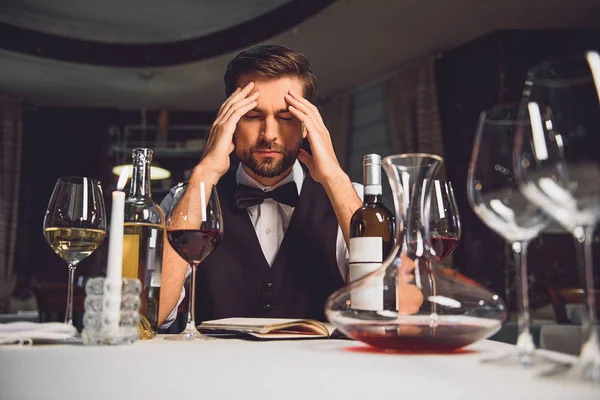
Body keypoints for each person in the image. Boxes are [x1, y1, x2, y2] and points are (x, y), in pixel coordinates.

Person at [158, 45, 362, 326]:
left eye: (287, 117)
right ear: (228, 122)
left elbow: (388, 304)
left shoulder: (353, 201)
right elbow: (150, 315)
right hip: (211, 370)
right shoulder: (186, 199)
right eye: (252, 116)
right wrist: (204, 173)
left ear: (306, 126)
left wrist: (336, 179)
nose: (269, 135)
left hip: (319, 369)